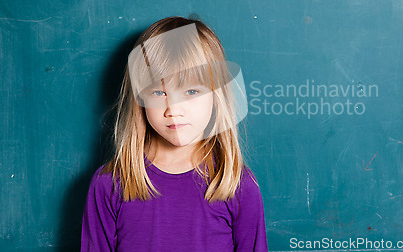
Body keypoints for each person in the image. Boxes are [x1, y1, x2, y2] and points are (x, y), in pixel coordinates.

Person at [81, 16, 268, 251]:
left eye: (191, 91)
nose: (174, 110)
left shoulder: (237, 185)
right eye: (159, 93)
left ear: (216, 96)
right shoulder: (109, 184)